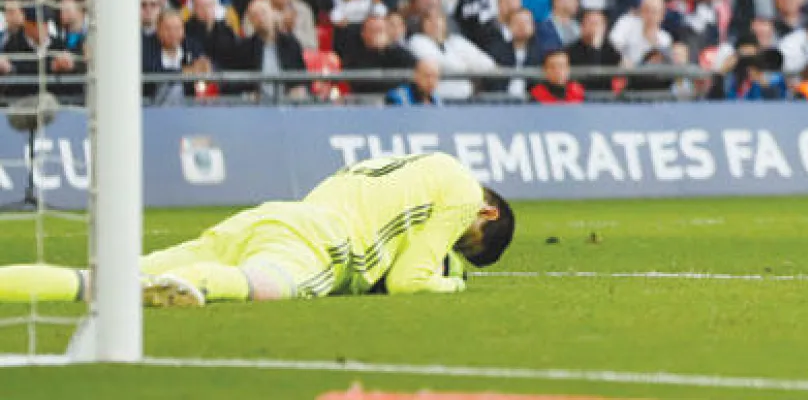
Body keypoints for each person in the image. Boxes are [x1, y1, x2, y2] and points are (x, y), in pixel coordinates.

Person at [0, 152, 514, 305]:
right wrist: (453, 279)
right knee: (270, 284)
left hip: (273, 215)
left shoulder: (415, 162)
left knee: (101, 279)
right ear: (485, 215)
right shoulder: (466, 193)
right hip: (324, 247)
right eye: (461, 242)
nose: (450, 243)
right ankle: (193, 287)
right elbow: (410, 280)